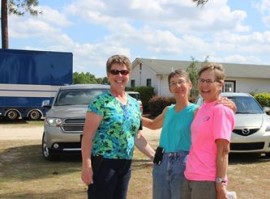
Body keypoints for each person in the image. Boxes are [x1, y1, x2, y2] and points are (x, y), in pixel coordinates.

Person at [142, 69, 236, 199]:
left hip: (183, 163)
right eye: (173, 83)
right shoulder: (168, 110)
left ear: (190, 85)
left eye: (181, 82)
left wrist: (229, 105)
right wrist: (132, 115)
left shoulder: (197, 111)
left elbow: (215, 112)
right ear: (169, 88)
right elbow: (152, 125)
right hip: (162, 161)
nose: (177, 86)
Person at [81, 54, 155, 199]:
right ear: (108, 75)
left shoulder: (134, 104)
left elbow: (136, 136)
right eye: (115, 72)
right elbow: (88, 136)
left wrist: (154, 155)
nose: (119, 75)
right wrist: (87, 165)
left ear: (129, 74)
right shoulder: (100, 102)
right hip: (104, 164)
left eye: (124, 72)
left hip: (125, 164)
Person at [182, 63, 236, 199]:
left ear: (220, 84)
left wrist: (221, 184)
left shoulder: (221, 111)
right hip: (189, 175)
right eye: (201, 80)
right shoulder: (201, 109)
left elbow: (223, 151)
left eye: (209, 81)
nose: (204, 85)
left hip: (207, 180)